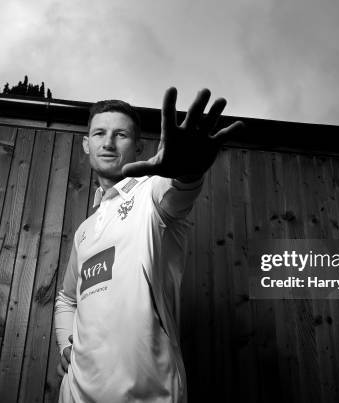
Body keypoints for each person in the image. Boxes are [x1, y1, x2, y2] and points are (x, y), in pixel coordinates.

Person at [54, 87, 244, 402]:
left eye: (121, 135)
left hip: (152, 393)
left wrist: (189, 170)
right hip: (75, 395)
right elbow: (66, 300)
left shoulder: (152, 193)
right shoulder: (85, 230)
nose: (109, 142)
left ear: (138, 146)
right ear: (87, 144)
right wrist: (65, 346)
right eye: (99, 133)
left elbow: (179, 188)